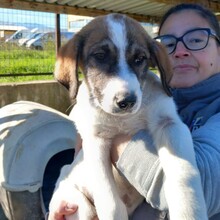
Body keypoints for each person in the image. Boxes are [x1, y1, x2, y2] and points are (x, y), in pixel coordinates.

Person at [48, 3, 220, 220]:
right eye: (169, 43)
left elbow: (206, 188)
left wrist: (108, 139)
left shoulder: (163, 100)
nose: (181, 51)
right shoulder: (162, 90)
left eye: (196, 39)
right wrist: (66, 188)